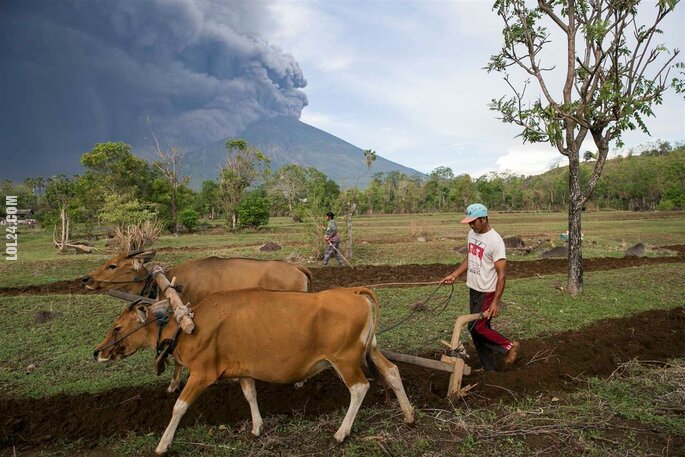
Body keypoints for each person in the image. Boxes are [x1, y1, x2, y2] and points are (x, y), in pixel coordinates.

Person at [442, 203, 520, 371]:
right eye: (469, 222)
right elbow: (470, 257)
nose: (470, 225)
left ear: (484, 219)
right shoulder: (472, 234)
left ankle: (509, 345)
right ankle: (489, 368)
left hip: (488, 291)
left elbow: (502, 274)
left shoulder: (495, 241)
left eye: (473, 222)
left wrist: (496, 302)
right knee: (476, 329)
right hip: (474, 288)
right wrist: (455, 275)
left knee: (477, 327)